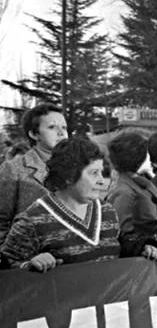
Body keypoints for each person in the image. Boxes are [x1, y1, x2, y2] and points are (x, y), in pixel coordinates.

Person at [0, 138, 119, 270]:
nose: (101, 181)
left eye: (101, 172)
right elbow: (7, 267)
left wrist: (140, 247)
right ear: (68, 176)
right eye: (94, 173)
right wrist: (29, 265)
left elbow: (121, 250)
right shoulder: (31, 222)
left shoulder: (107, 211)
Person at [0, 103, 68, 246]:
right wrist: (9, 259)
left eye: (64, 127)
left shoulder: (78, 166)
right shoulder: (13, 169)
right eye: (52, 127)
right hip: (31, 258)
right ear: (34, 134)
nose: (61, 133)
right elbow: (1, 221)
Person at [106, 130, 157, 260]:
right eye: (147, 154)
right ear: (137, 157)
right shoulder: (125, 192)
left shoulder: (138, 182)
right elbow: (123, 233)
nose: (150, 158)